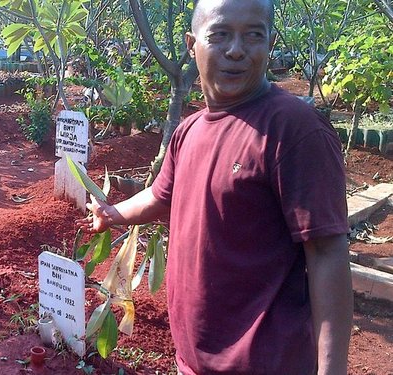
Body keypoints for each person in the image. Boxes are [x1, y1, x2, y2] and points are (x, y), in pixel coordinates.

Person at [78, 0, 353, 373]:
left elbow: (326, 253)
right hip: (193, 360)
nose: (236, 50)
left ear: (270, 43)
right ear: (192, 45)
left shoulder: (294, 131)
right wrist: (112, 214)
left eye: (253, 35)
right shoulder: (189, 131)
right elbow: (162, 196)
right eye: (220, 34)